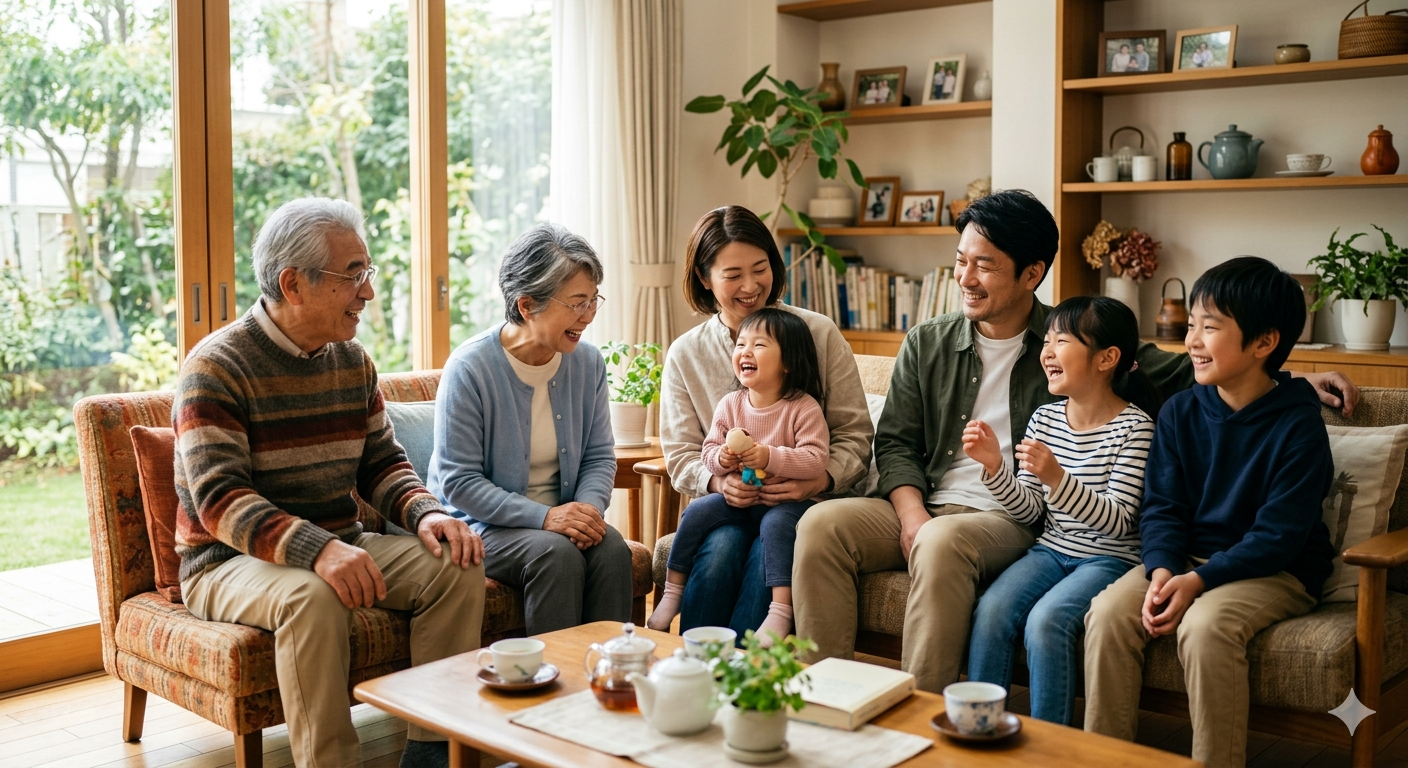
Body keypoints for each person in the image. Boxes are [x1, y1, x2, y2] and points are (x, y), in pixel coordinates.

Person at [791, 189, 1358, 694]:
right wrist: (910, 512)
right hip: (927, 503)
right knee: (820, 525)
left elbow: (1189, 369)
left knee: (942, 541)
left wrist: (1293, 380)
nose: (965, 278)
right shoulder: (927, 341)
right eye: (961, 261)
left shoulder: (1075, 342)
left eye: (984, 265)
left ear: (1031, 272)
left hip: (1010, 513)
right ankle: (825, 697)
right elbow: (893, 444)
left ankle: (924, 715)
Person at [173, 197, 485, 768]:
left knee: (455, 564)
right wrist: (320, 551)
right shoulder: (216, 367)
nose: (367, 292)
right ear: (293, 284)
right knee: (313, 594)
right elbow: (220, 502)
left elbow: (382, 463)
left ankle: (432, 751)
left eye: (366, 273)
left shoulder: (351, 360)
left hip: (340, 542)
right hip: (226, 562)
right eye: (353, 275)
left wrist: (427, 514)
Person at [1084, 257, 1336, 768]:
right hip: (1187, 560)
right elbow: (1162, 508)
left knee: (1205, 627)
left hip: (1274, 572)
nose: (1193, 340)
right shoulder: (1180, 411)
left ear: (1264, 343)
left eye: (1210, 327)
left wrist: (1197, 583)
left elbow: (1277, 538)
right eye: (1192, 324)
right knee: (1109, 612)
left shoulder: (1299, 427)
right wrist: (1161, 573)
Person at [660, 205, 872, 639]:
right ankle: (692, 668)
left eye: (760, 269)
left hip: (800, 505)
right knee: (720, 547)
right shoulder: (686, 354)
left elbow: (855, 435)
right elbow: (681, 455)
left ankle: (749, 681)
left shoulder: (816, 333)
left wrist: (818, 480)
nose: (751, 286)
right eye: (733, 274)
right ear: (704, 278)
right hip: (728, 505)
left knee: (766, 554)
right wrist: (719, 483)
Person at [430, 223, 633, 636]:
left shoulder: (587, 362)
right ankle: (550, 692)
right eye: (577, 303)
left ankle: (613, 681)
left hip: (558, 521)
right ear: (526, 305)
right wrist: (546, 518)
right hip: (481, 526)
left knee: (612, 548)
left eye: (594, 300)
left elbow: (598, 455)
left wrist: (589, 512)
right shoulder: (470, 368)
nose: (588, 315)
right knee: (554, 554)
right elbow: (459, 482)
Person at [963, 296, 1158, 726]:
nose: (1046, 351)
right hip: (1051, 549)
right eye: (1046, 340)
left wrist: (1057, 479)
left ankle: (1050, 749)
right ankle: (978, 731)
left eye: (1061, 340)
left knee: (1047, 622)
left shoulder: (1136, 428)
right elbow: (1031, 510)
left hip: (1110, 560)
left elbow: (1119, 520)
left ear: (1107, 358)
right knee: (992, 610)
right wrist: (995, 467)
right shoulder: (1045, 419)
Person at [648, 308, 829, 643]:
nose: (745, 351)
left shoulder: (803, 407)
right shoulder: (731, 404)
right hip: (739, 502)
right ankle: (672, 591)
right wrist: (722, 458)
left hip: (783, 505)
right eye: (741, 344)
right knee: (697, 511)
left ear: (787, 361)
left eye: (759, 345)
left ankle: (780, 612)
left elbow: (816, 459)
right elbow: (708, 452)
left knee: (775, 527)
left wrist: (770, 456)